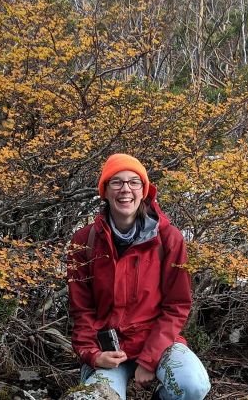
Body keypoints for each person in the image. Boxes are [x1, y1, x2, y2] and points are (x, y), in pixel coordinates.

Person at [67, 154, 210, 400]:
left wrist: (150, 358)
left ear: (144, 190)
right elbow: (82, 310)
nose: (126, 190)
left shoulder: (169, 239)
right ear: (104, 190)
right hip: (108, 350)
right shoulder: (84, 242)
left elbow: (177, 306)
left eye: (134, 182)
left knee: (193, 385)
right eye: (116, 182)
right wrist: (91, 354)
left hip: (157, 341)